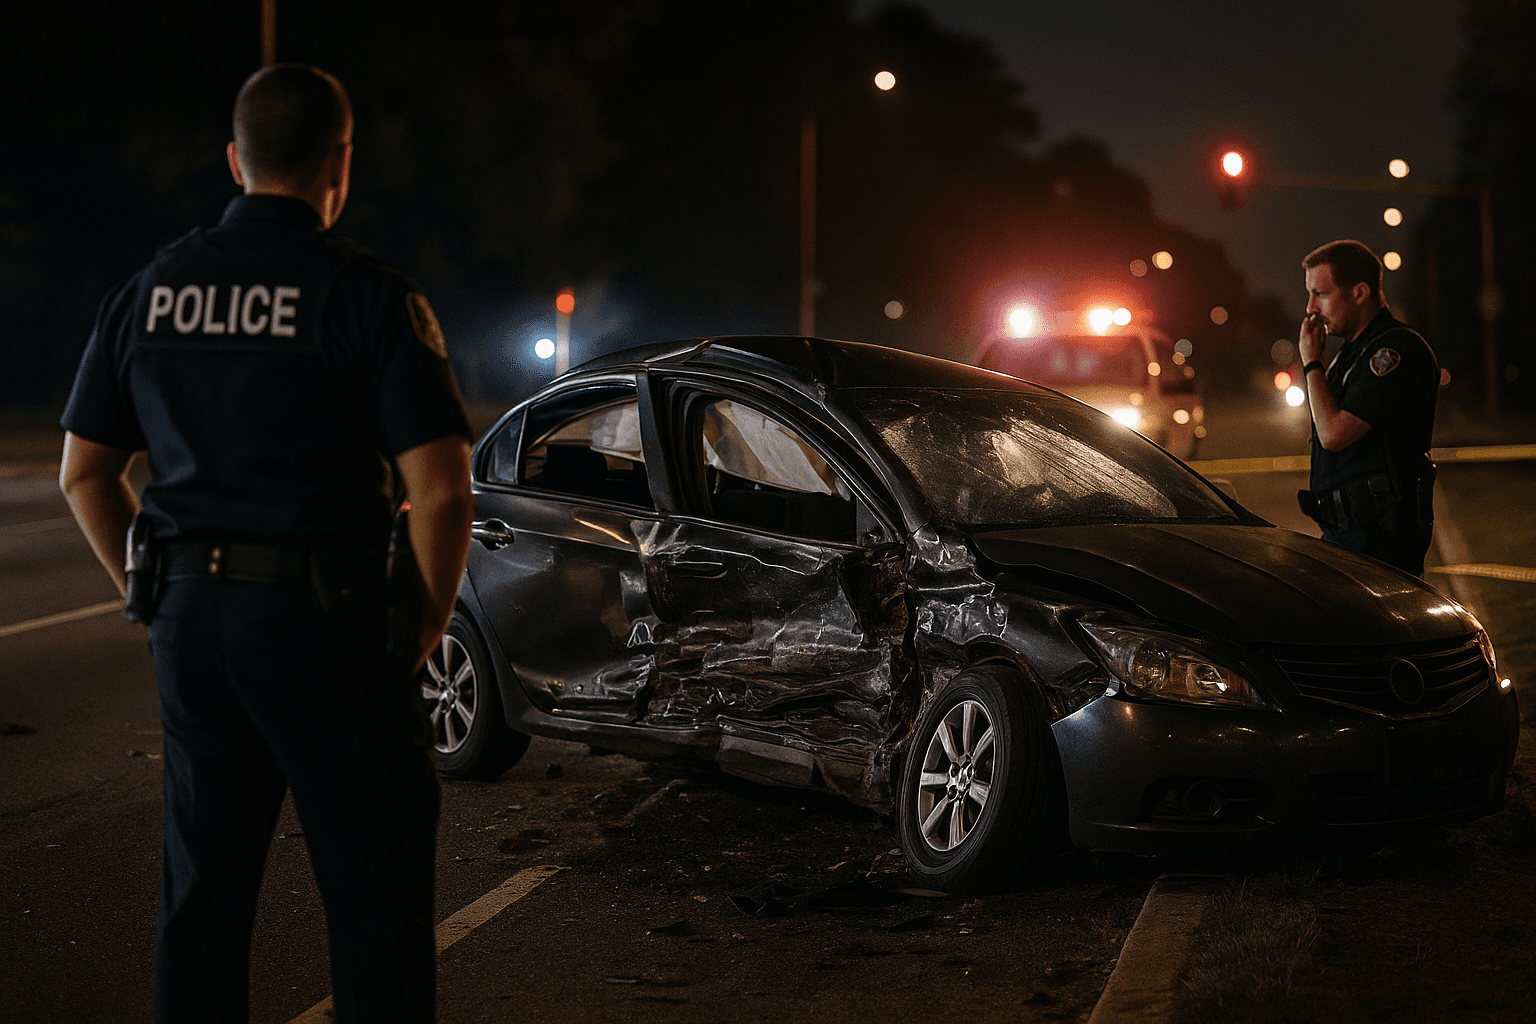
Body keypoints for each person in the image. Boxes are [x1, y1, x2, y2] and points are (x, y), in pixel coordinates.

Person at [58, 65, 473, 1023]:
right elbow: (442, 487)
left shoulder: (152, 289)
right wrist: (418, 622)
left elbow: (86, 472)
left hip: (192, 622)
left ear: (236, 159)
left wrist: (151, 590)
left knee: (201, 897)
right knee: (375, 899)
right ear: (341, 163)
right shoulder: (364, 296)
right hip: (325, 620)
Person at [1296, 239, 1438, 575]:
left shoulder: (1393, 351)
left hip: (1380, 540)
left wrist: (1311, 362)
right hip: (1348, 535)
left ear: (1360, 293)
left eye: (1322, 294)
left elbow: (1332, 434)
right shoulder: (1352, 353)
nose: (1311, 307)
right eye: (1310, 294)